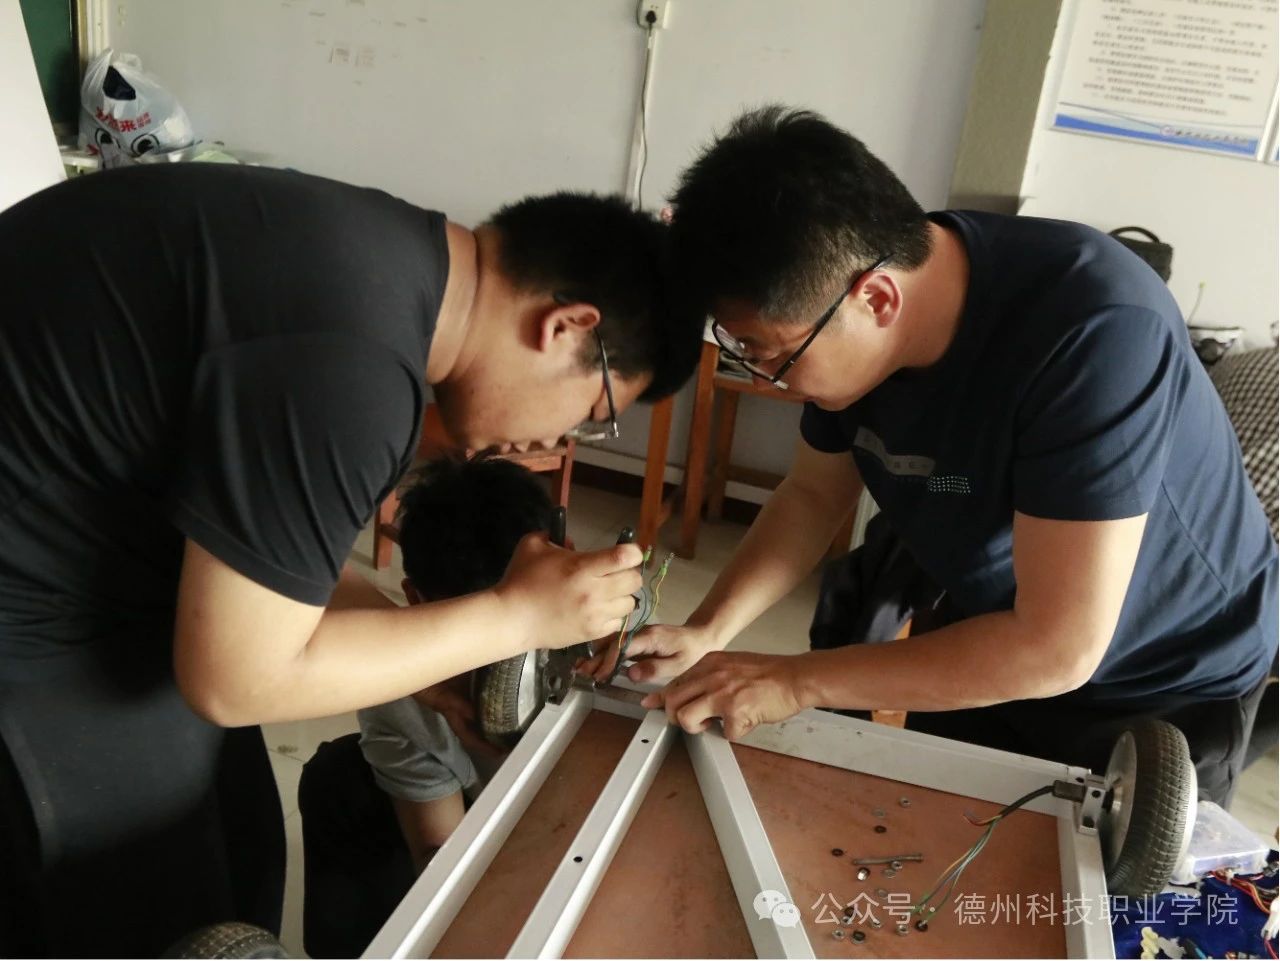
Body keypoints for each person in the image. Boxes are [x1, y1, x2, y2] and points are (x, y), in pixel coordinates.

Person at [0, 163, 701, 956]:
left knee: (242, 849)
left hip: (100, 550)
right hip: (33, 600)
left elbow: (274, 569)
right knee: (148, 912)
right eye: (594, 411)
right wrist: (516, 615)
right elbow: (233, 677)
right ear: (567, 326)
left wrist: (432, 672)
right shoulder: (352, 364)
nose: (559, 441)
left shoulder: (386, 273)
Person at [601, 106, 1277, 806]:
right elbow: (812, 494)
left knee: (1085, 874)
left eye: (772, 356)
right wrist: (708, 630)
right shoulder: (846, 304)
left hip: (1161, 682)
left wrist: (795, 679)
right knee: (923, 835)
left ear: (876, 298)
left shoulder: (1096, 330)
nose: (773, 380)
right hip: (991, 631)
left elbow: (1058, 647)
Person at [299, 456, 555, 958]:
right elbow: (443, 864)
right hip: (485, 830)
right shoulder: (403, 695)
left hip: (559, 832)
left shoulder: (597, 649)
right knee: (338, 778)